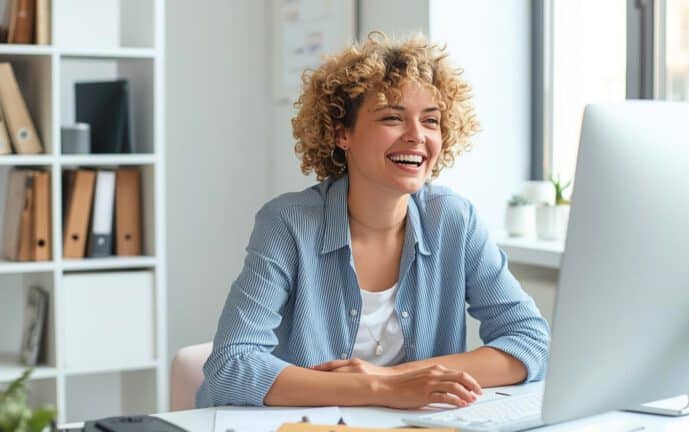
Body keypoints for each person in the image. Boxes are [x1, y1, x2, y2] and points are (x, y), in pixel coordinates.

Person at [196, 32, 550, 409]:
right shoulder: (288, 223)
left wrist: (394, 377)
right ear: (341, 132)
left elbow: (529, 341)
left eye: (431, 121)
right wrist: (382, 391)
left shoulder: (454, 220)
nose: (416, 136)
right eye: (392, 118)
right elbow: (231, 367)